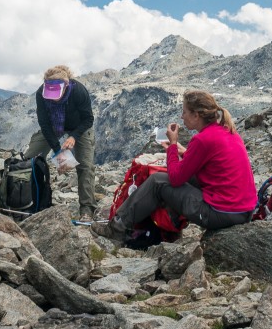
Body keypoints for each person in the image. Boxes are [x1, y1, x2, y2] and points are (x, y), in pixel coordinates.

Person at [94, 90, 257, 241]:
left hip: (220, 213)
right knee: (184, 176)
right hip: (243, 211)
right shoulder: (227, 131)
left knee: (158, 181)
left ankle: (116, 228)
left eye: (185, 112)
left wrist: (172, 145)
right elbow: (211, 165)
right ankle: (167, 229)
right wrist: (185, 153)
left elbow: (176, 178)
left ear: (196, 115)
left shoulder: (202, 139)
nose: (182, 116)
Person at [23, 65, 97, 221]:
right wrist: (59, 153)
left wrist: (74, 137)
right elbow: (44, 124)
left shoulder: (78, 91)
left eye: (56, 93)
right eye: (50, 93)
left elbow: (88, 119)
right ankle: (28, 201)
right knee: (30, 158)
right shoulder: (40, 93)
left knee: (85, 166)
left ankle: (87, 209)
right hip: (53, 126)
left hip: (79, 127)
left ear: (66, 85)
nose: (53, 98)